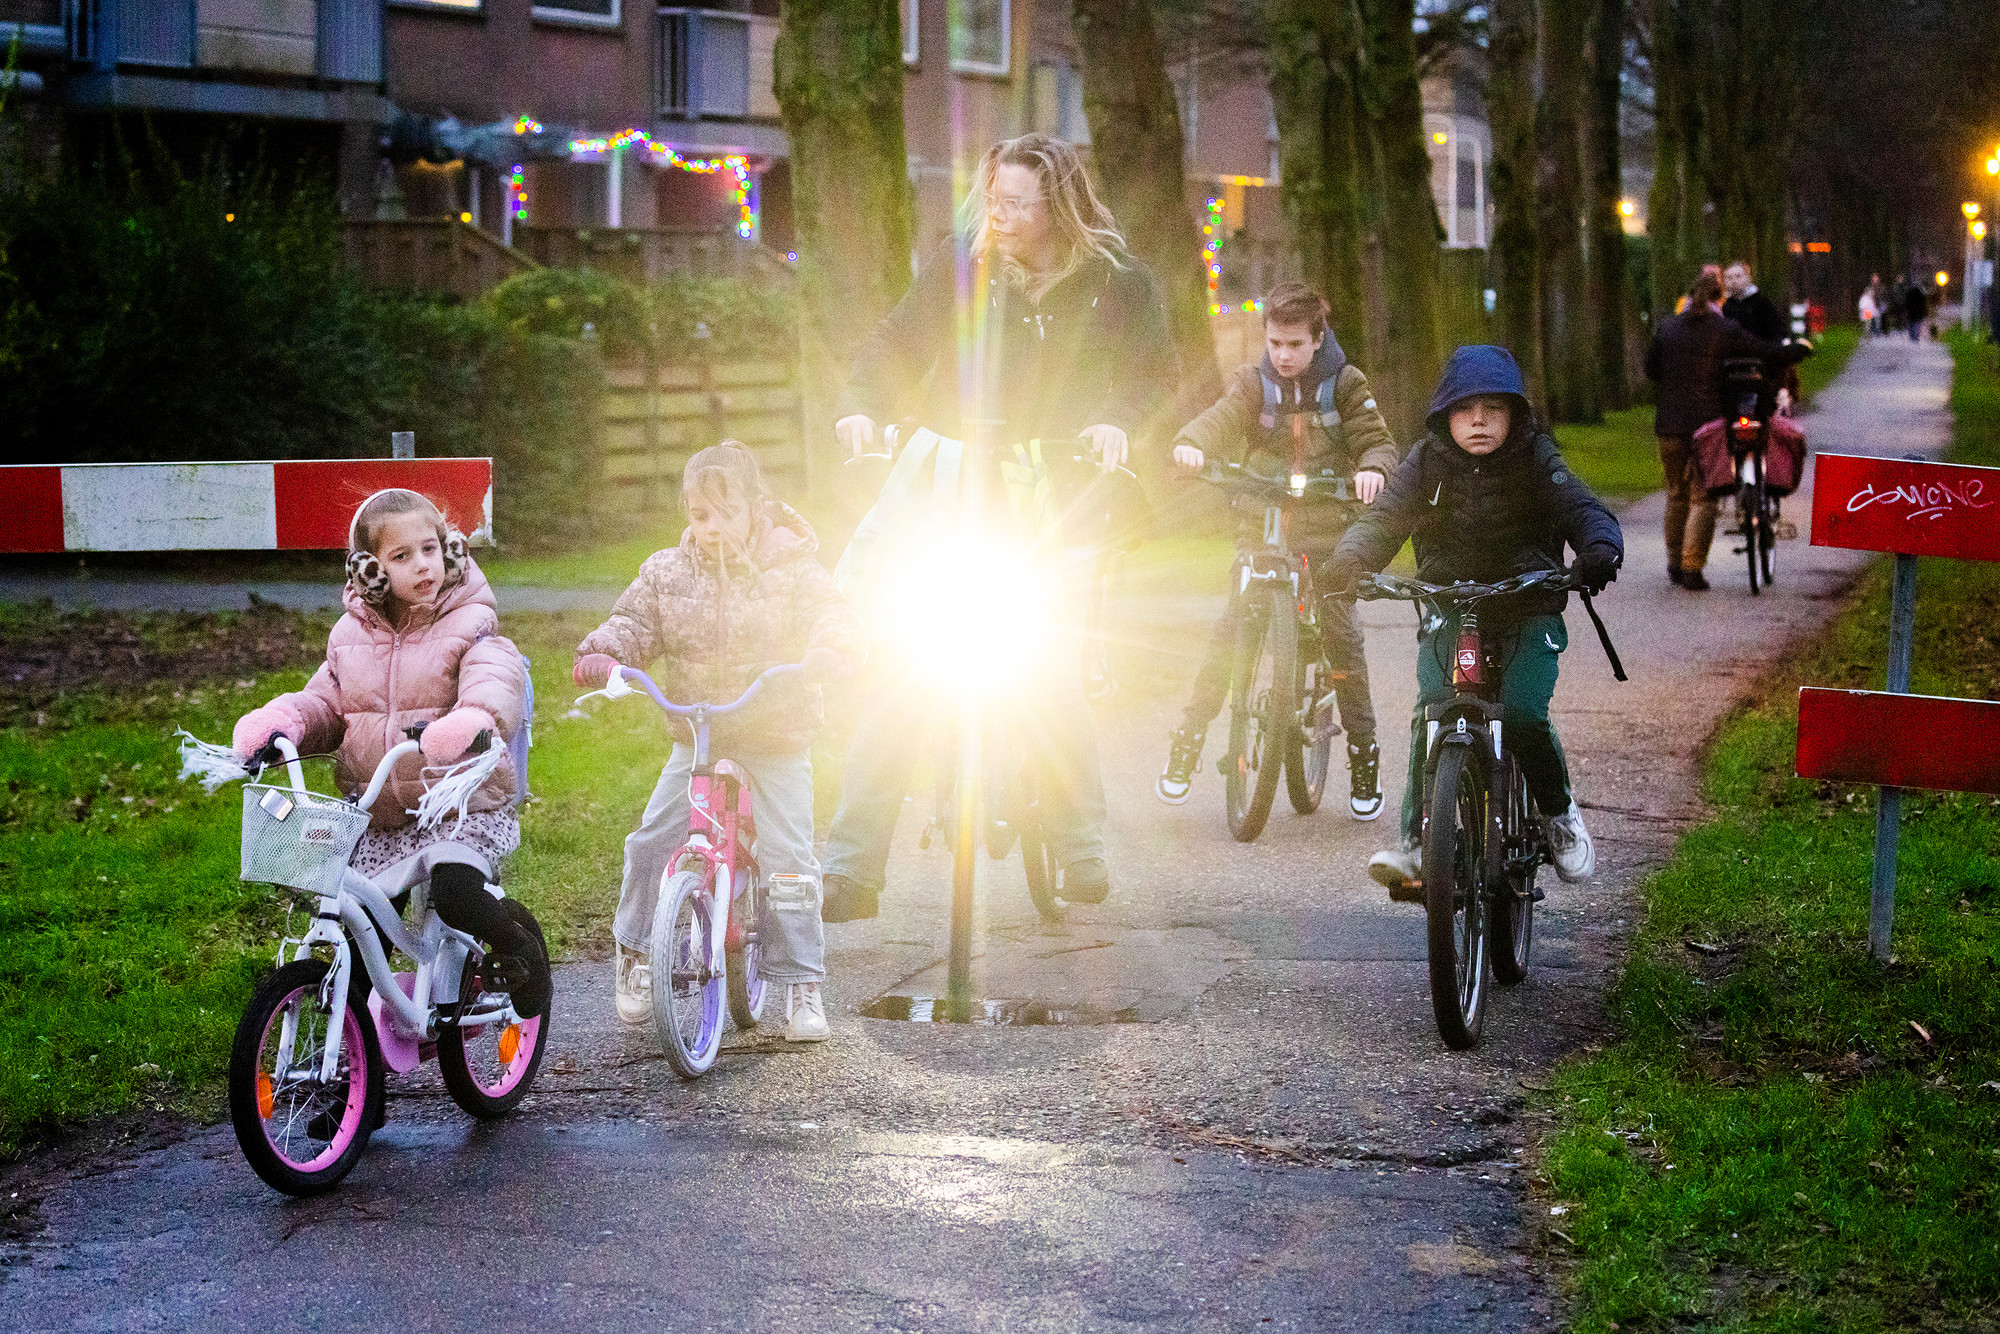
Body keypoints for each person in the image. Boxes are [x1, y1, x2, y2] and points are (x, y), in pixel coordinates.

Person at [820, 132, 1173, 922]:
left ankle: (1080, 839)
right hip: (960, 484)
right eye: (994, 200)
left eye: (1018, 202)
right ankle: (850, 868)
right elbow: (896, 343)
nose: (1001, 215)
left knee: (1048, 668)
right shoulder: (965, 267)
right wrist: (861, 406)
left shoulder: (1119, 283)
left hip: (1061, 491)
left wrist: (1118, 423)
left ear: (1060, 203)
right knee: (905, 673)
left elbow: (1154, 375)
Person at [573, 442, 864, 1041]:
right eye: (700, 515)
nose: (712, 529)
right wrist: (605, 655)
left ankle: (801, 983)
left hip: (776, 733)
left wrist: (830, 651)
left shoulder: (792, 567)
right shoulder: (665, 572)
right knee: (653, 838)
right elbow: (633, 622)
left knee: (789, 859)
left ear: (757, 508)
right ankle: (636, 954)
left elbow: (831, 613)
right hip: (700, 733)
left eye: (726, 513)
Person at [231, 488, 546, 1018]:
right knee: (359, 924)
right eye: (402, 557)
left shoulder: (470, 623)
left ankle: (519, 950)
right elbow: (327, 702)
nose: (422, 566)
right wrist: (285, 722)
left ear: (448, 550)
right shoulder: (350, 638)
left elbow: (496, 678)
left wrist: (471, 721)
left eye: (429, 549)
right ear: (370, 572)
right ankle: (343, 1047)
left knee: (455, 894)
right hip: (384, 814)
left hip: (458, 807)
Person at [1322, 346, 1624, 897]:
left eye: (1492, 408)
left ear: (1515, 414)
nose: (1479, 420)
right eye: (1465, 409)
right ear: (1445, 416)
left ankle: (1559, 816)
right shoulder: (1426, 461)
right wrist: (1350, 560)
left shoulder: (1535, 456)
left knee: (1526, 713)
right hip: (1450, 606)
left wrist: (1599, 547)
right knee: (1433, 708)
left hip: (1526, 606)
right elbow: (1384, 517)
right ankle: (1413, 840)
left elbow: (1581, 506)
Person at [1157, 282, 1401, 817]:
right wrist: (1193, 444)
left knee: (1341, 631)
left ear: (1318, 340)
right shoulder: (1253, 385)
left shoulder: (1345, 385)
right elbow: (1219, 419)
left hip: (1325, 523)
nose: (1283, 355)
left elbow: (1377, 440)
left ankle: (1364, 756)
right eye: (1274, 343)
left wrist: (1372, 469)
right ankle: (1188, 741)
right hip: (1263, 520)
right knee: (1230, 627)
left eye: (1294, 344)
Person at [1645, 271, 1808, 590]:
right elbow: (1764, 351)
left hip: (1668, 425)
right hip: (1707, 427)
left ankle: (1674, 563)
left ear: (1689, 296)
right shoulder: (1725, 330)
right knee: (1703, 496)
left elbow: (1651, 370)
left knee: (1675, 493)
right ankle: (1692, 568)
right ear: (1720, 298)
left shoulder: (1667, 328)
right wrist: (1798, 349)